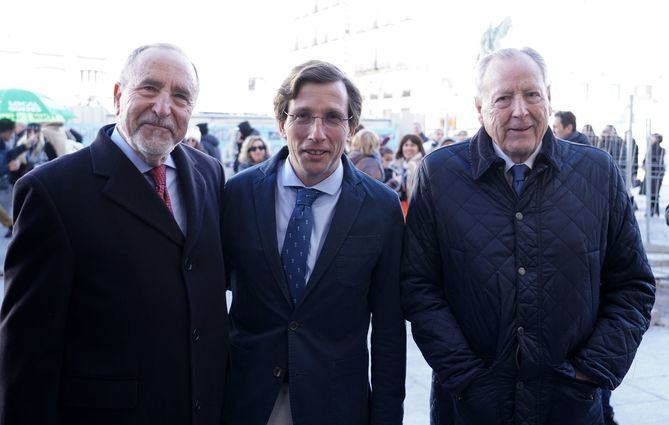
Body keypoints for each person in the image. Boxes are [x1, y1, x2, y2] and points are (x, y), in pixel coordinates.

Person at [401, 47, 655, 425]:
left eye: (531, 94)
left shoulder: (597, 172)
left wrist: (591, 373)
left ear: (548, 98)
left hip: (572, 405)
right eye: (502, 98)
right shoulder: (439, 175)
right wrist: (467, 378)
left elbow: (632, 284)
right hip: (471, 408)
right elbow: (420, 288)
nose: (519, 110)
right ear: (479, 108)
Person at [0, 43, 230, 425]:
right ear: (118, 95)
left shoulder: (209, 173)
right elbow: (26, 353)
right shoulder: (53, 190)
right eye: (149, 88)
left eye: (180, 96)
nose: (163, 106)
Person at [222, 59, 406, 425]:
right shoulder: (238, 195)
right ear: (281, 123)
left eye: (333, 118)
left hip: (337, 406)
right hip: (246, 401)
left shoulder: (381, 208)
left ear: (351, 127)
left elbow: (388, 330)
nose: (316, 133)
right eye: (303, 116)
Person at [389, 134, 425, 216]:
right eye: (406, 145)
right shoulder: (396, 164)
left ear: (419, 147)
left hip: (415, 208)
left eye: (412, 145)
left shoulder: (422, 164)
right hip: (399, 205)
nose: (409, 148)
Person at [640, 133, 665, 216]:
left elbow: (655, 160)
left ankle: (653, 210)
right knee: (652, 192)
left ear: (657, 139)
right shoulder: (650, 147)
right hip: (651, 172)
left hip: (655, 173)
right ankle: (654, 210)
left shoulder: (658, 148)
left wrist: (646, 165)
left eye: (653, 137)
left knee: (653, 192)